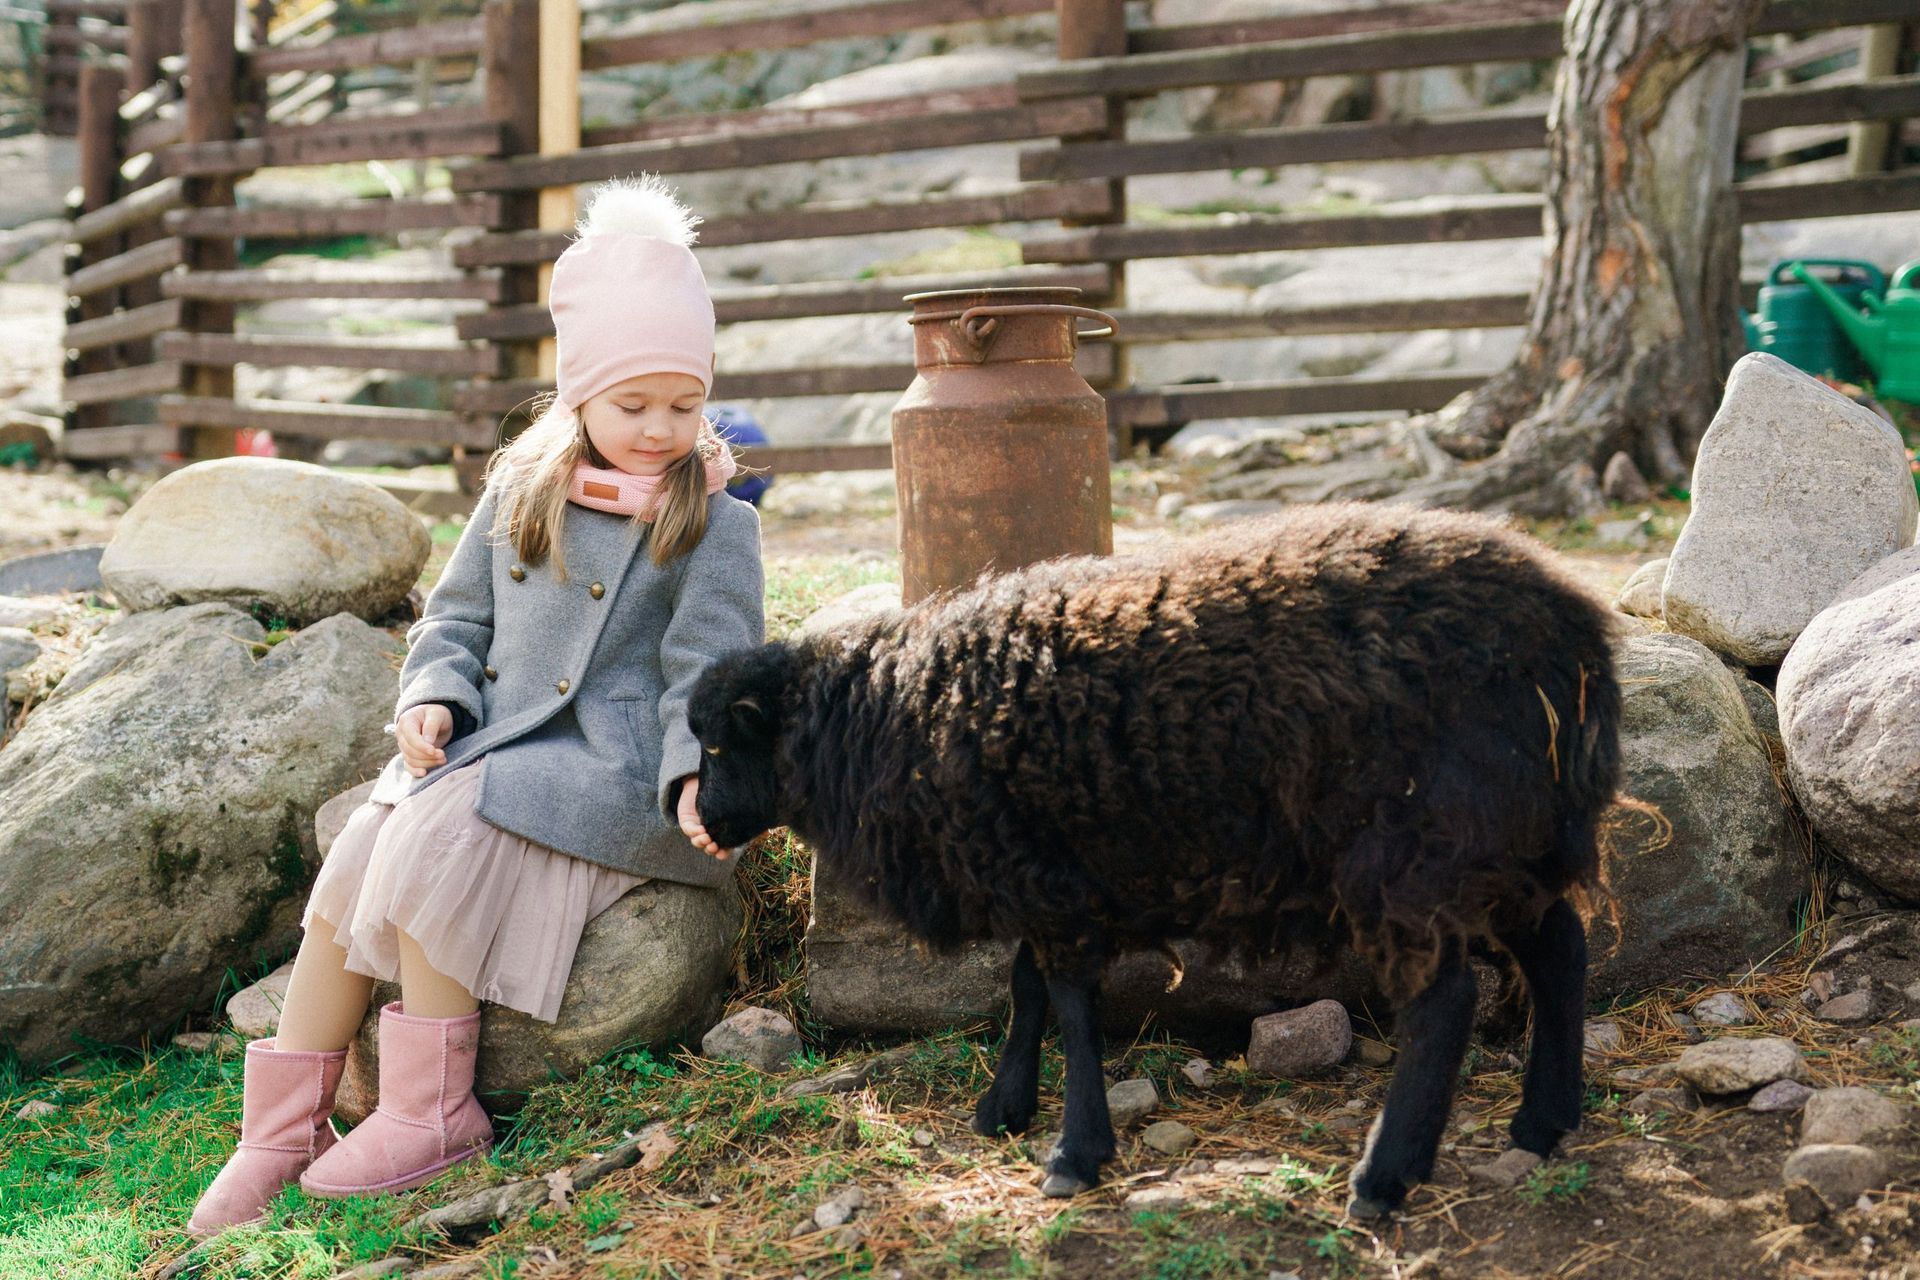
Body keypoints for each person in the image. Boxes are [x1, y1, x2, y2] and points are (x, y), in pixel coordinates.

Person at [187, 174, 764, 1236]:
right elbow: (455, 624)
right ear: (577, 392)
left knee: (441, 829)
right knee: (367, 840)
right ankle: (278, 1128)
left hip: (617, 769)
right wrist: (437, 696)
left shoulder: (714, 521)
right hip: (499, 742)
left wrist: (699, 770)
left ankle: (431, 1106)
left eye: (683, 405)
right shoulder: (521, 489)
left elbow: (713, 672)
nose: (659, 429)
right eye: (631, 405)